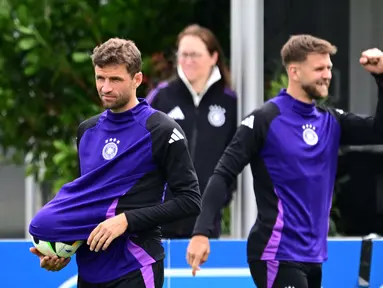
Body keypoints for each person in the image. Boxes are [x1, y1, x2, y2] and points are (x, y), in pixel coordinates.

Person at [186, 34, 383, 288]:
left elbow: (379, 131)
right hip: (275, 253)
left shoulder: (331, 121)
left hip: (313, 257)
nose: (328, 75)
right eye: (319, 68)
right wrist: (201, 232)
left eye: (329, 68)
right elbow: (223, 173)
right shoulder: (265, 120)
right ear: (295, 72)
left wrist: (381, 78)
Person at [29, 37, 201, 288]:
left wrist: (126, 220)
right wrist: (64, 252)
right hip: (89, 272)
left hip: (136, 266)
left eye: (115, 79)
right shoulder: (87, 131)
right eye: (100, 78)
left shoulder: (161, 130)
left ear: (137, 79)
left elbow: (190, 201)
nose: (106, 88)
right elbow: (90, 203)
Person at [147, 24, 237, 239]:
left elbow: (235, 157)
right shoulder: (161, 97)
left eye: (195, 55)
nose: (188, 61)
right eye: (183, 54)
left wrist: (220, 200)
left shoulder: (229, 102)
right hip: (160, 218)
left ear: (213, 57)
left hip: (205, 223)